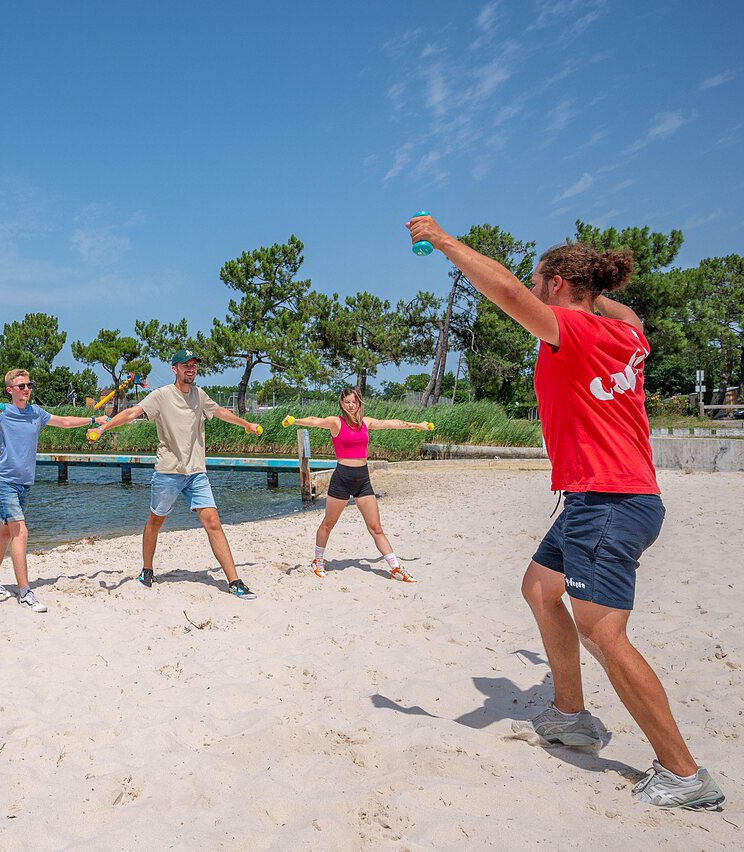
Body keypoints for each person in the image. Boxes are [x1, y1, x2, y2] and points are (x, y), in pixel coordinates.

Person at [407, 214, 725, 810]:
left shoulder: (573, 331)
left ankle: (684, 774)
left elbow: (503, 291)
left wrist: (443, 241)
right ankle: (572, 716)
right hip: (609, 497)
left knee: (603, 632)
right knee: (539, 587)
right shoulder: (627, 335)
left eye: (539, 282)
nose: (530, 290)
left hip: (607, 501)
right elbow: (626, 313)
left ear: (555, 286)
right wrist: (590, 285)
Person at [88, 349, 260, 599]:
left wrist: (248, 425)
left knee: (213, 522)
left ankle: (234, 582)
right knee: (155, 522)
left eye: (194, 366)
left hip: (196, 472)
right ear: (175, 369)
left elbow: (222, 412)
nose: (191, 369)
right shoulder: (161, 396)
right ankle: (147, 569)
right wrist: (104, 428)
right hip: (168, 472)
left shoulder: (200, 396)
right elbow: (133, 412)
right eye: (185, 365)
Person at [0, 368, 105, 613]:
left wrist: (93, 420)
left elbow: (64, 422)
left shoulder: (36, 413)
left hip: (25, 482)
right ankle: (25, 592)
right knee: (20, 532)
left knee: (4, 534)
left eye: (29, 385)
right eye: (22, 386)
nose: (27, 389)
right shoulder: (2, 412)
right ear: (10, 390)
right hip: (4, 481)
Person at [285, 387, 431, 583]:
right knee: (329, 523)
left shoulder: (366, 422)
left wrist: (416, 425)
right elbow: (314, 420)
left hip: (363, 479)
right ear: (342, 404)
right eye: (347, 402)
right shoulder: (336, 422)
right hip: (342, 479)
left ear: (359, 402)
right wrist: (294, 420)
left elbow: (390, 423)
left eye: (354, 402)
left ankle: (395, 567)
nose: (350, 405)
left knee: (376, 528)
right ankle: (318, 560)